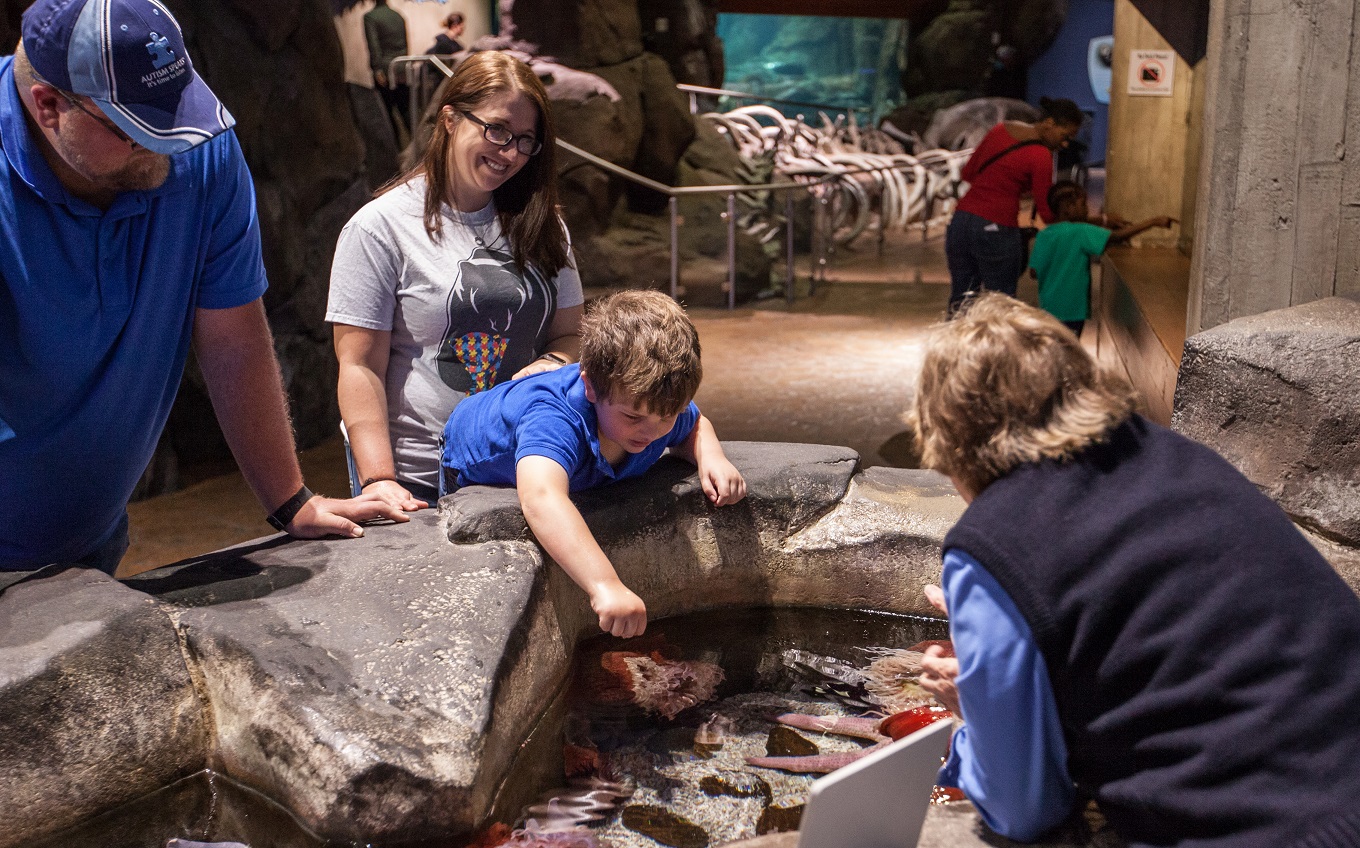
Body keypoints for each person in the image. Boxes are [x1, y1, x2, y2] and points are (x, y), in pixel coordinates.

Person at [909, 293, 1360, 847]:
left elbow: (1023, 808)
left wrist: (980, 709)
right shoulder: (1176, 459)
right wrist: (1008, 623)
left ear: (950, 437)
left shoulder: (997, 540)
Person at [0, 0, 407, 575]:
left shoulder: (198, 145)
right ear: (48, 106)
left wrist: (290, 499)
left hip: (89, 537)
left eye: (175, 110)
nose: (171, 143)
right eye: (138, 128)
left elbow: (234, 337)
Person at [327, 51, 583, 507]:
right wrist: (379, 478)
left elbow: (570, 334)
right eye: (497, 130)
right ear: (449, 119)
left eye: (526, 140)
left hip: (523, 465)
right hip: (423, 479)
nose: (510, 153)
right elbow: (359, 366)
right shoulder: (379, 227)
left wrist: (551, 362)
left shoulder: (542, 224)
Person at [440, 290, 747, 639]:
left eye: (668, 416)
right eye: (634, 417)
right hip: (466, 450)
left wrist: (711, 457)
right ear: (589, 387)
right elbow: (541, 497)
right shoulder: (555, 420)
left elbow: (694, 423)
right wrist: (604, 584)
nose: (652, 432)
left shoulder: (650, 401)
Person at [945, 97, 1110, 314]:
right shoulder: (1041, 155)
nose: (1065, 144)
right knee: (1001, 302)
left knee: (962, 298)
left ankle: (957, 337)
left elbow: (969, 173)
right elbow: (1048, 213)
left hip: (960, 221)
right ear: (1049, 123)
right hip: (997, 226)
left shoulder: (1000, 130)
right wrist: (1096, 222)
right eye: (1065, 136)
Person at [1028, 180, 1176, 337]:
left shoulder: (1044, 235)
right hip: (1072, 310)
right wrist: (1153, 222)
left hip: (1048, 308)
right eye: (1083, 205)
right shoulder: (1080, 231)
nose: (1087, 210)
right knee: (1069, 347)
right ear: (1067, 208)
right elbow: (1116, 237)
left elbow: (1034, 273)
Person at [363, 0, 410, 138]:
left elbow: (373, 46)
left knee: (386, 114)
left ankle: (396, 147)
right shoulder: (398, 15)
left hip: (385, 71)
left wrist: (377, 69)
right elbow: (405, 45)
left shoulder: (370, 17)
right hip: (402, 68)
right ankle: (417, 144)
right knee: (406, 111)